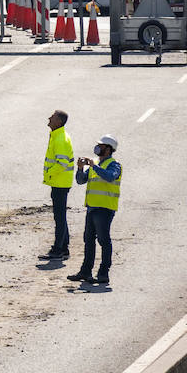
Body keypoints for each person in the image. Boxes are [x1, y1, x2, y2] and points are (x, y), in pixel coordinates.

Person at [67, 135, 122, 287]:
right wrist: (80, 168)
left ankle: (103, 273)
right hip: (92, 207)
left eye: (101, 145)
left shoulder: (114, 164)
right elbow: (80, 180)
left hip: (105, 208)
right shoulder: (95, 163)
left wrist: (94, 166)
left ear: (108, 149)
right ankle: (86, 271)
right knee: (88, 240)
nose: (98, 148)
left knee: (103, 240)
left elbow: (110, 177)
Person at [41, 109, 75, 260]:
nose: (49, 118)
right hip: (60, 182)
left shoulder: (60, 139)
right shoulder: (58, 136)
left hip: (60, 183)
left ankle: (58, 250)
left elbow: (62, 163)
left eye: (52, 117)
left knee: (59, 217)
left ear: (59, 122)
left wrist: (49, 173)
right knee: (60, 216)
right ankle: (64, 248)